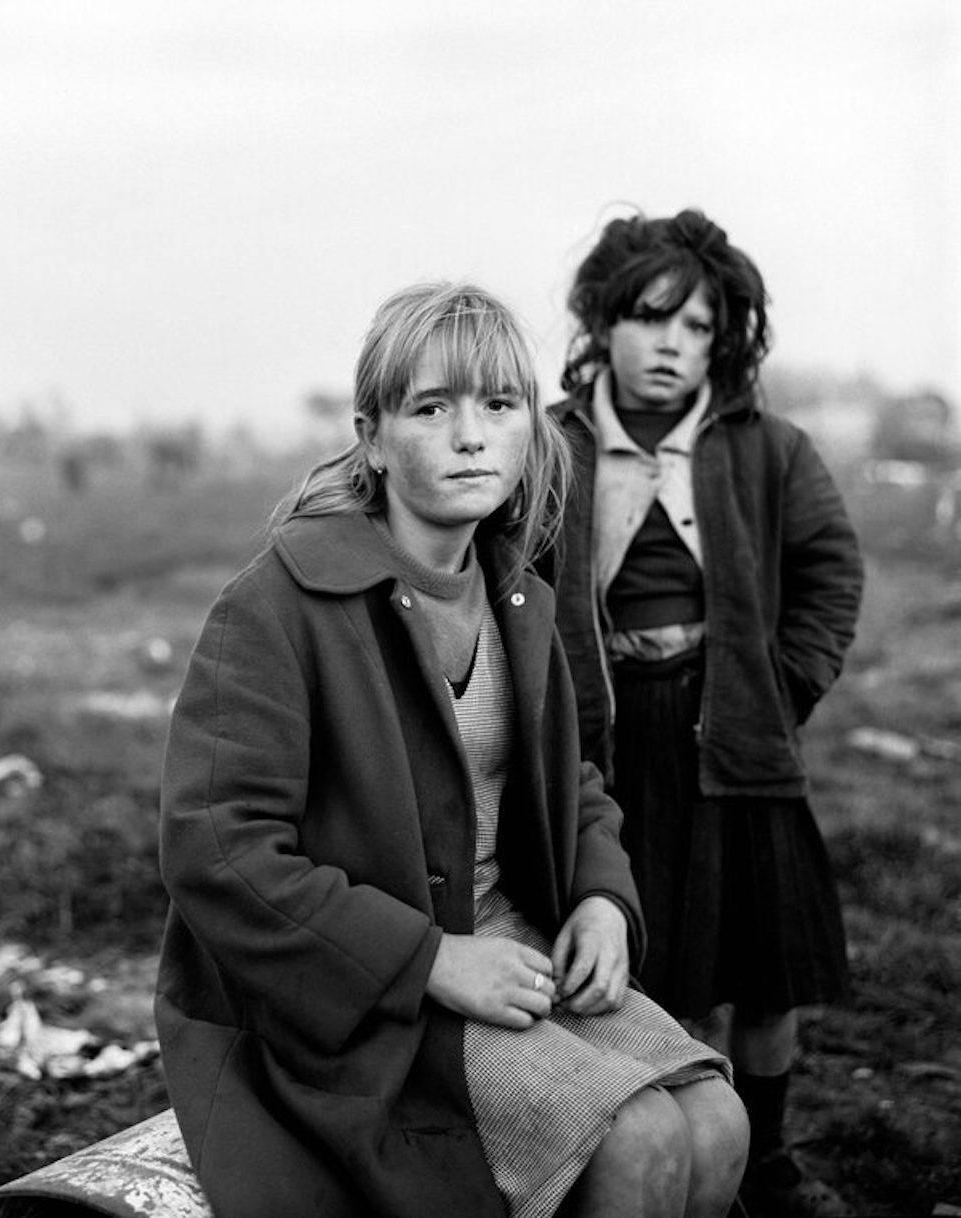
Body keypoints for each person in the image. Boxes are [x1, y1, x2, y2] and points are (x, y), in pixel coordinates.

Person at [154, 281, 748, 1218]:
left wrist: (601, 897)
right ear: (374, 436)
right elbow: (217, 848)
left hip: (511, 943)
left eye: (499, 405)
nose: (472, 435)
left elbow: (573, 782)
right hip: (360, 987)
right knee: (637, 1143)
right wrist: (427, 960)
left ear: (528, 430)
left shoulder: (518, 596)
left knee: (717, 1122)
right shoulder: (276, 607)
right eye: (433, 408)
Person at [540, 210, 863, 1217]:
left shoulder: (767, 448)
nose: (671, 345)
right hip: (608, 736)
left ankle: (766, 1164)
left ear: (724, 340)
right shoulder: (552, 446)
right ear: (604, 323)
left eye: (696, 327)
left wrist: (784, 686)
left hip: (735, 733)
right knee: (659, 968)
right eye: (649, 318)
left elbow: (831, 572)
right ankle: (686, 1154)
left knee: (764, 975)